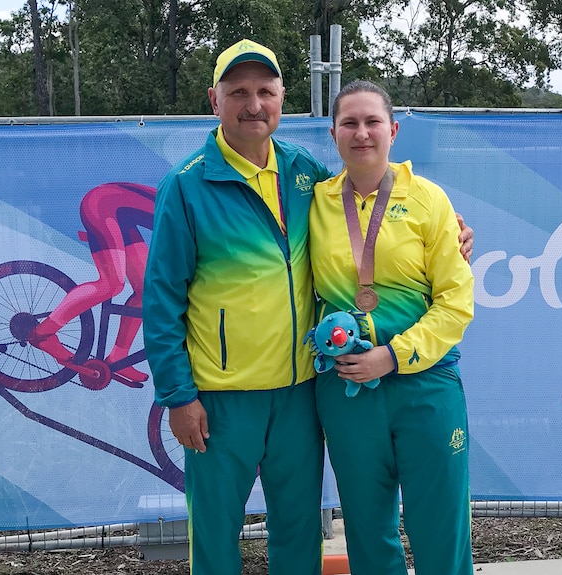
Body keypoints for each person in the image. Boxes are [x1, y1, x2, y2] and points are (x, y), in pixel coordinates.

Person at [143, 40, 474, 575]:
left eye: (266, 92)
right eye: (239, 92)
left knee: (298, 537)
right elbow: (160, 301)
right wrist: (178, 395)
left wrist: (453, 231)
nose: (254, 104)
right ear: (214, 100)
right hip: (222, 398)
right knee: (215, 540)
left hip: (300, 394)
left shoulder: (306, 177)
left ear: (281, 99)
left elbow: (374, 202)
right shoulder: (186, 187)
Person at [309, 80, 475, 575]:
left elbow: (456, 301)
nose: (362, 133)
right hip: (347, 391)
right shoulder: (311, 203)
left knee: (440, 527)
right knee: (366, 529)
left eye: (372, 121)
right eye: (350, 123)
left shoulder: (429, 201)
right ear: (333, 133)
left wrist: (393, 355)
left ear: (393, 130)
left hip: (424, 385)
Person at [29, 181, 154, 385]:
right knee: (113, 284)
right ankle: (43, 333)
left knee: (148, 291)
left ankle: (118, 356)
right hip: (102, 207)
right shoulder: (191, 211)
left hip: (122, 218)